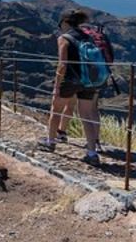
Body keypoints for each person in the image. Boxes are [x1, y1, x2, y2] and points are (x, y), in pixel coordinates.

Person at [38, 9, 101, 166]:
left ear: (66, 23)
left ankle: (50, 142)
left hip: (70, 80)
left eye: (60, 24)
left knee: (56, 109)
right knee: (86, 115)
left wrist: (57, 85)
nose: (60, 27)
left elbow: (62, 64)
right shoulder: (88, 37)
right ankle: (92, 153)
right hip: (89, 81)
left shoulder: (64, 38)